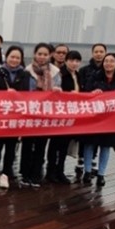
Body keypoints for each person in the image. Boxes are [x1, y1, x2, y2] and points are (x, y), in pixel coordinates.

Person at [0, 45, 31, 189]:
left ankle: (6, 173)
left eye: (18, 57)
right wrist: (3, 95)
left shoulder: (25, 74)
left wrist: (16, 95)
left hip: (15, 116)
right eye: (12, 56)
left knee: (11, 147)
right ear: (7, 57)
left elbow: (28, 95)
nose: (14, 60)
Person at [82, 52, 115, 186]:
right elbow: (85, 93)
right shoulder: (95, 77)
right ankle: (87, 171)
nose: (108, 64)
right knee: (89, 144)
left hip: (111, 119)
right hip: (94, 117)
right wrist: (93, 93)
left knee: (106, 146)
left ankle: (101, 174)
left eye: (112, 61)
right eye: (106, 61)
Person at [20, 43, 60, 187]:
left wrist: (57, 90)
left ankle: (36, 175)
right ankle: (25, 174)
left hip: (46, 114)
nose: (42, 57)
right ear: (35, 54)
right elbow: (23, 91)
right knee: (27, 144)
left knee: (41, 145)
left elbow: (58, 91)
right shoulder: (27, 70)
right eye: (39, 54)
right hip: (30, 112)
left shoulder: (55, 72)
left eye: (45, 54)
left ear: (50, 56)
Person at [46, 50, 82, 184]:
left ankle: (60, 171)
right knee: (54, 144)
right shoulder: (59, 74)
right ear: (66, 61)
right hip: (59, 114)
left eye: (77, 61)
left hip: (72, 115)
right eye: (71, 60)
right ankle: (50, 171)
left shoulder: (78, 75)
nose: (74, 63)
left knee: (64, 145)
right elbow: (53, 92)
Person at [76, 42, 108, 178]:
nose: (99, 54)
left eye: (101, 52)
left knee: (98, 134)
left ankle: (93, 158)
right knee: (85, 134)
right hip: (87, 107)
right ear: (92, 53)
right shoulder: (84, 70)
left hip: (103, 110)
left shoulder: (109, 70)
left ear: (105, 53)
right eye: (96, 51)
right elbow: (81, 88)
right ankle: (81, 158)